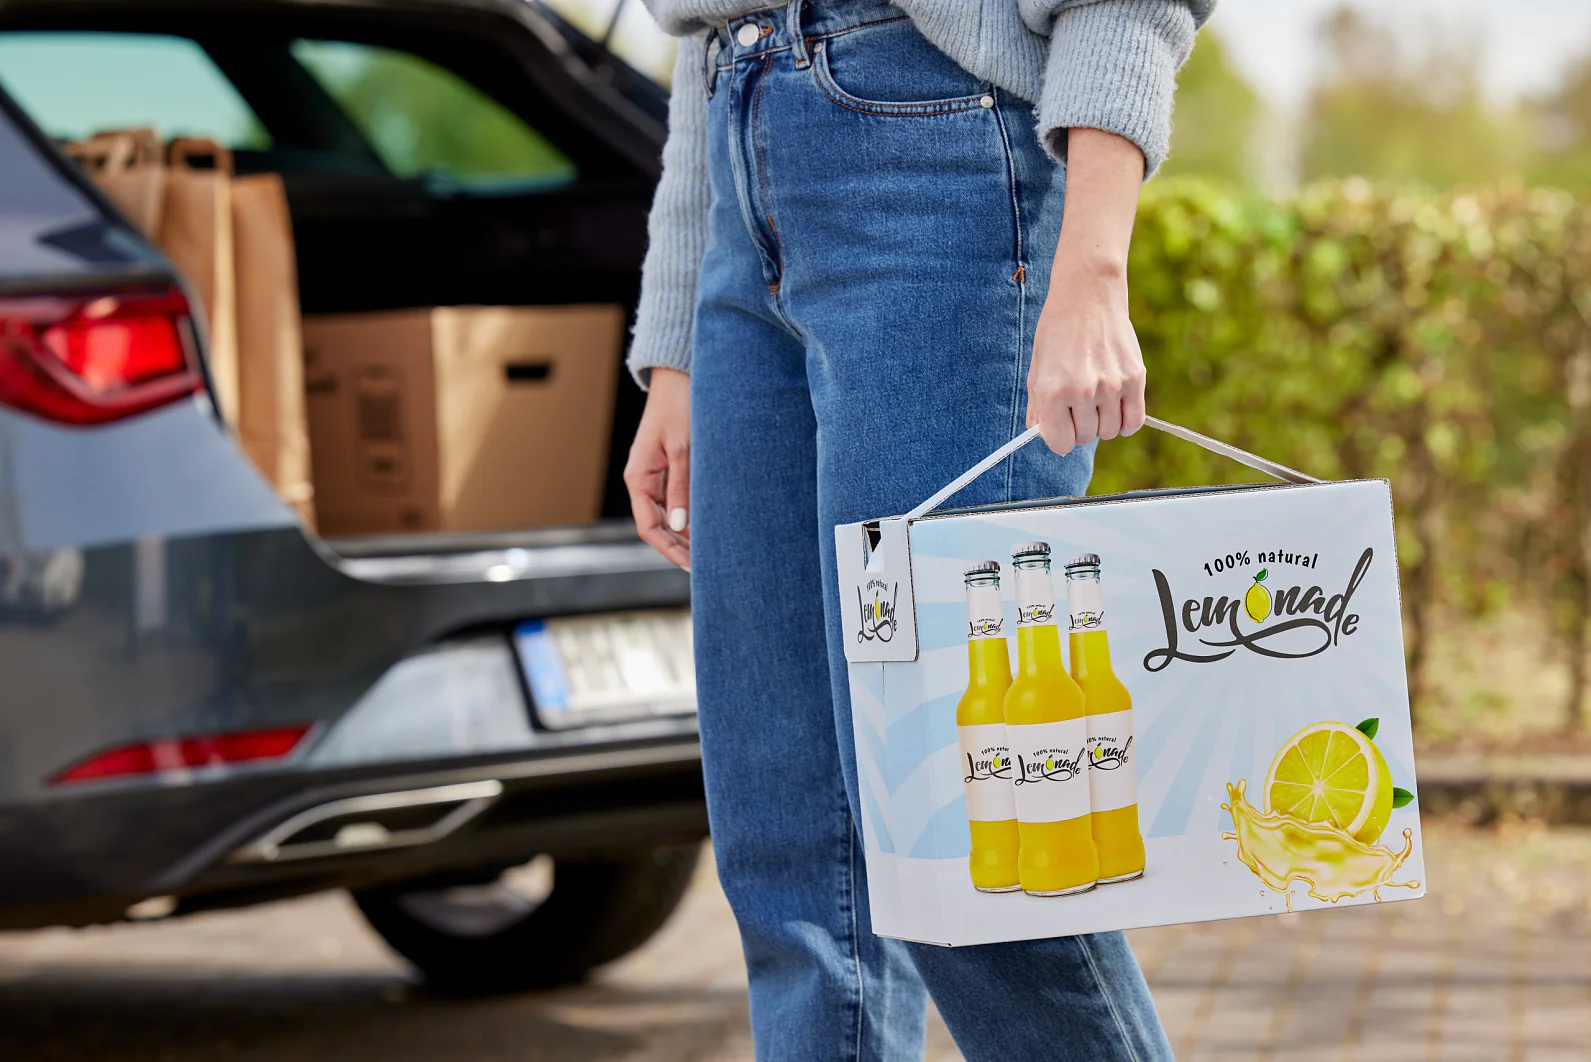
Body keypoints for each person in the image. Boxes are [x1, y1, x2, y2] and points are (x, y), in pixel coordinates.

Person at [623, 1, 1211, 1057]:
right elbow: (700, 43)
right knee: (792, 858)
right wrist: (675, 354)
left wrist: (1093, 265)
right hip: (736, 155)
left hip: (938, 164)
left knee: (969, 844)